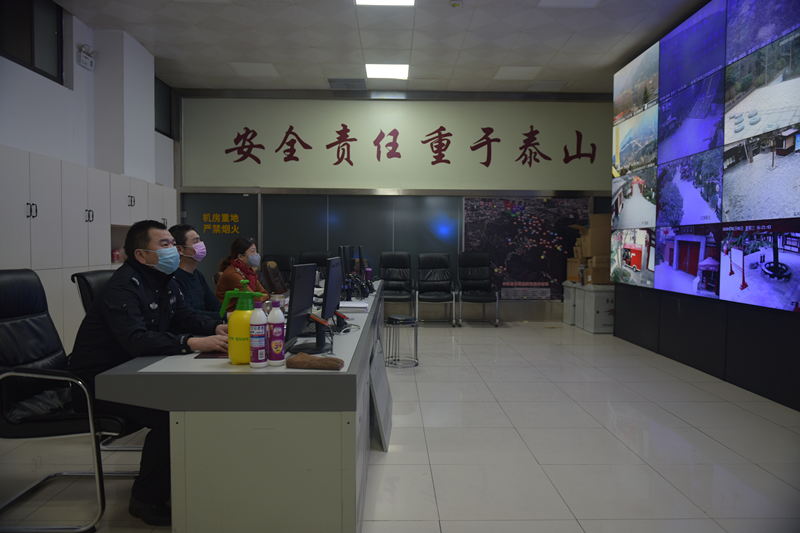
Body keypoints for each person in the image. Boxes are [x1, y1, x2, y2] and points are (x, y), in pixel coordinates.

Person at [68, 220, 228, 527]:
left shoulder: (164, 280)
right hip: (98, 385)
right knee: (173, 415)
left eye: (173, 244)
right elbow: (136, 339)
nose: (173, 250)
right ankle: (146, 500)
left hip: (132, 375)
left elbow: (186, 316)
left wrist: (217, 327)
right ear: (141, 255)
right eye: (165, 245)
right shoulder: (122, 288)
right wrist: (190, 342)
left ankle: (181, 478)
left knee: (191, 402)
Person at [168, 224, 222, 319]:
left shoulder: (198, 275)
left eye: (200, 240)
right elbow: (188, 314)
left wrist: (224, 316)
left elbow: (214, 304)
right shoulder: (173, 279)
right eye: (196, 241)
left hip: (206, 324)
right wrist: (224, 316)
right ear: (179, 249)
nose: (201, 244)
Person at [215, 237, 269, 311]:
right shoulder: (233, 274)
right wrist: (259, 298)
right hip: (231, 314)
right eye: (253, 252)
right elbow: (250, 298)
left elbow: (265, 294)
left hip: (245, 311)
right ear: (240, 256)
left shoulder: (249, 272)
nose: (256, 254)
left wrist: (258, 298)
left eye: (256, 251)